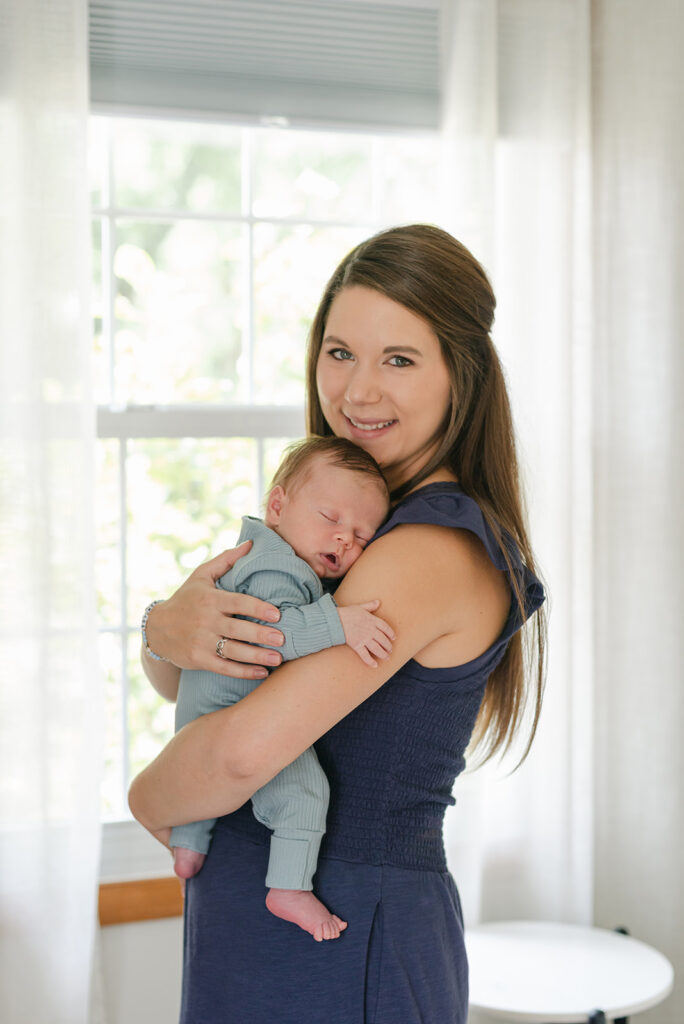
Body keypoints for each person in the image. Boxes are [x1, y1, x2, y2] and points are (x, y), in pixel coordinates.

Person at [129, 224, 547, 1024]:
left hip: (347, 934)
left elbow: (240, 750)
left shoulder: (428, 545)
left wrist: (148, 795)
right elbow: (204, 677)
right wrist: (164, 628)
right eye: (339, 351)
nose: (357, 392)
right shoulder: (350, 523)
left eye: (399, 359)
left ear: (461, 374)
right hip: (261, 917)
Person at [167, 436, 393, 943]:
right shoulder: (279, 570)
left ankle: (188, 841)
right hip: (236, 707)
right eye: (331, 519)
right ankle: (289, 887)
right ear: (277, 506)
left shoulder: (261, 556)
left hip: (201, 713)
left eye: (361, 537)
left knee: (201, 788)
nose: (343, 542)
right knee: (306, 793)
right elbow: (276, 636)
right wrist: (340, 624)